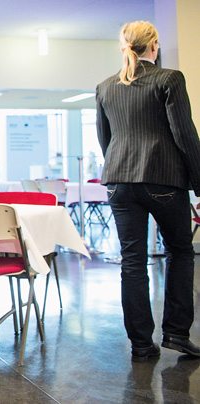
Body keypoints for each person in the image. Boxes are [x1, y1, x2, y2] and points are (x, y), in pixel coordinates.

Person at [96, 21, 200, 363]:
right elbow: (185, 135)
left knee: (133, 262)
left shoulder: (105, 86)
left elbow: (105, 140)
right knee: (180, 253)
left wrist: (119, 169)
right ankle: (176, 334)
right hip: (163, 179)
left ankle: (141, 343)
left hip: (119, 182)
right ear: (153, 45)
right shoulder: (169, 79)